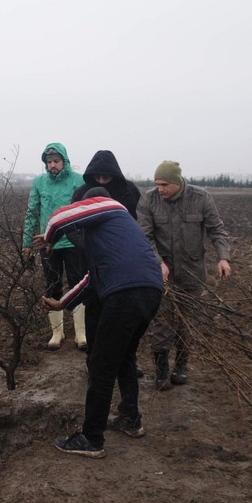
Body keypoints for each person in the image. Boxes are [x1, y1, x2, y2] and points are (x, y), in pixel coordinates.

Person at [38, 188, 163, 458]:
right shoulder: (112, 236)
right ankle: (131, 419)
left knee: (100, 365)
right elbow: (92, 279)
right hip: (150, 290)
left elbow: (60, 217)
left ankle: (91, 439)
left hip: (125, 294)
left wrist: (50, 239)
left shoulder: (110, 205)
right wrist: (63, 303)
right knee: (125, 358)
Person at [137, 160, 233, 390]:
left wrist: (223, 257)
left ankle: (181, 366)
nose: (160, 189)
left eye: (165, 184)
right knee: (162, 321)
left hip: (192, 273)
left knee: (185, 322)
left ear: (178, 182)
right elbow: (144, 236)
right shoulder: (149, 200)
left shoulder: (201, 198)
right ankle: (161, 371)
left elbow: (216, 229)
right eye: (157, 184)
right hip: (163, 275)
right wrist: (158, 262)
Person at [70, 150, 145, 374]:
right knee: (94, 312)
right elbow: (72, 226)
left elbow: (137, 223)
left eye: (106, 177)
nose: (102, 180)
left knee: (126, 314)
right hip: (92, 261)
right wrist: (85, 245)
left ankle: (128, 361)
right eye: (98, 176)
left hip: (123, 262)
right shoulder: (82, 192)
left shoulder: (129, 191)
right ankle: (93, 361)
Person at [22, 142, 87, 350]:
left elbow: (85, 211)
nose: (52, 165)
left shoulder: (79, 181)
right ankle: (56, 333)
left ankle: (81, 333)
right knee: (52, 285)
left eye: (56, 161)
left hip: (74, 242)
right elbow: (32, 212)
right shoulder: (40, 183)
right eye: (49, 162)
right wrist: (27, 243)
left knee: (78, 283)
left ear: (64, 161)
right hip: (48, 243)